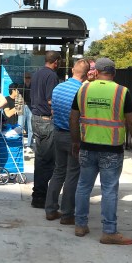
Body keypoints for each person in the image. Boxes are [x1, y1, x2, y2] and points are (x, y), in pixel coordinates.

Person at [70, 57, 132, 245]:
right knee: (109, 189)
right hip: (112, 149)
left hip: (87, 146)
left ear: (96, 72)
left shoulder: (84, 89)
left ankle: (80, 225)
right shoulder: (121, 91)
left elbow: (73, 118)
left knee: (83, 186)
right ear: (114, 72)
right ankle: (109, 231)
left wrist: (75, 142)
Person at [45, 59, 89, 224]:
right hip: (74, 136)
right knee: (72, 175)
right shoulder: (83, 91)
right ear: (86, 76)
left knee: (58, 172)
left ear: (72, 70)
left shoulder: (58, 88)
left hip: (58, 133)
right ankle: (67, 214)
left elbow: (53, 109)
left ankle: (50, 209)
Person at [30, 51, 61, 208]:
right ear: (55, 62)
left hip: (35, 119)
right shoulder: (52, 76)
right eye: (59, 62)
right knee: (48, 160)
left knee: (40, 158)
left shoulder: (36, 74)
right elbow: (51, 100)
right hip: (46, 120)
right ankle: (41, 196)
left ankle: (38, 193)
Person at [21, 73, 34, 153]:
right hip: (22, 107)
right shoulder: (21, 86)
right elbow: (18, 97)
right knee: (20, 126)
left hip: (31, 107)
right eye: (26, 77)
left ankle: (29, 144)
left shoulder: (33, 87)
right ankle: (20, 144)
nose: (27, 79)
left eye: (29, 77)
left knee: (30, 127)